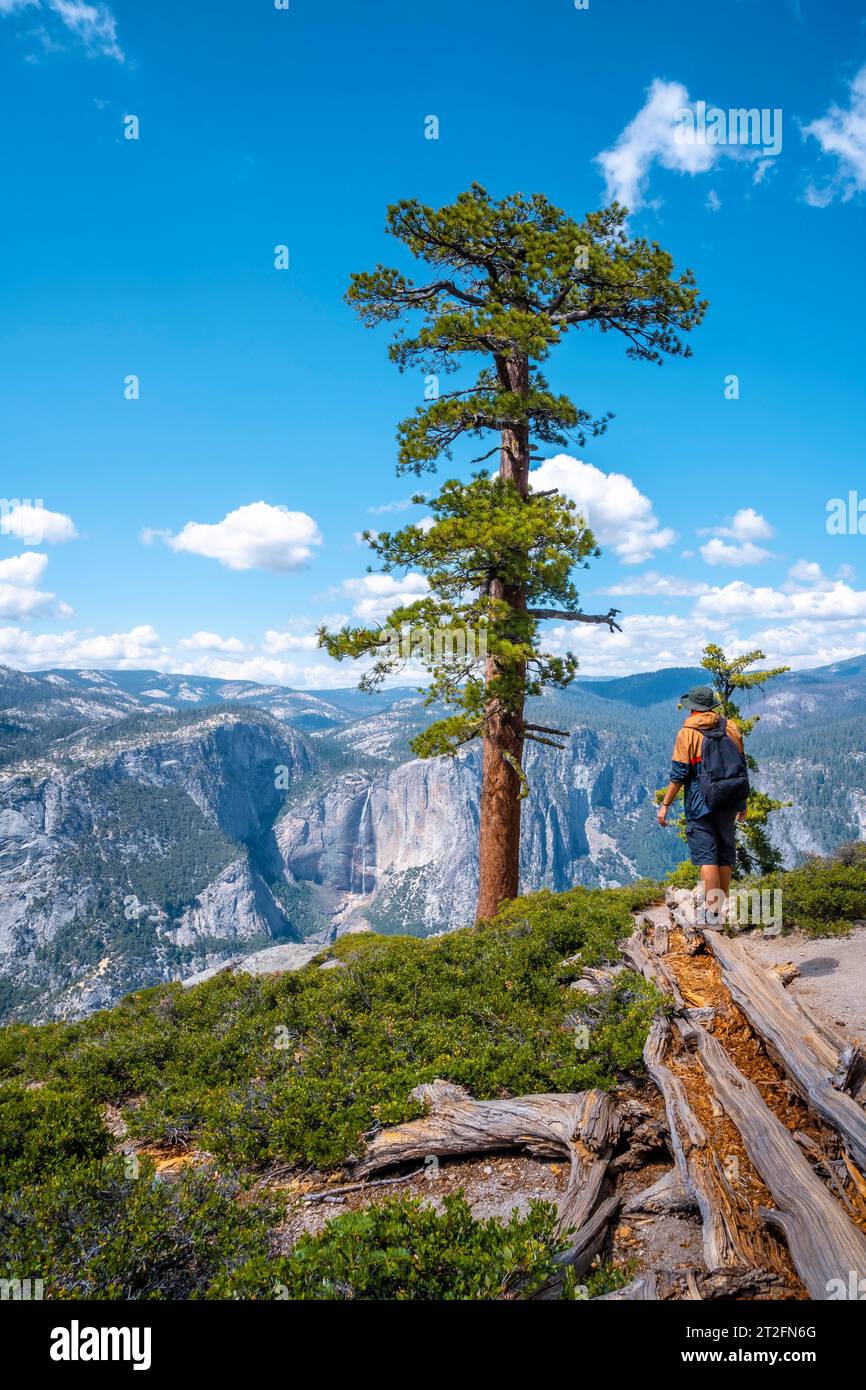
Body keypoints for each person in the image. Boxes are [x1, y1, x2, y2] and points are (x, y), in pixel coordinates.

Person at [657, 684, 749, 925]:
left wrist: (665, 804)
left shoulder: (687, 734)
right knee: (725, 855)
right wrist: (742, 801)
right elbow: (741, 766)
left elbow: (678, 775)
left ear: (693, 710)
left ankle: (712, 915)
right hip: (729, 800)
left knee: (707, 856)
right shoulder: (730, 727)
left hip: (701, 804)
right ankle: (721, 909)